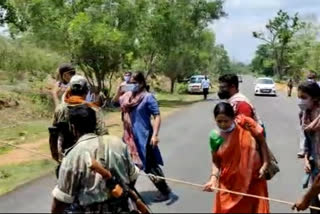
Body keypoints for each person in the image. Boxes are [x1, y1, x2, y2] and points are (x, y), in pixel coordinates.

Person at [51, 105, 140, 213]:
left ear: (73, 128)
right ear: (95, 123)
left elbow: (61, 199)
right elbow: (133, 176)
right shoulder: (118, 143)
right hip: (123, 208)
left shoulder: (72, 156)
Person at [203, 102, 270, 213]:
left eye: (226, 121)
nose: (223, 125)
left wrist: (265, 164)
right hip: (228, 185)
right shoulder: (215, 136)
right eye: (219, 121)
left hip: (253, 181)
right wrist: (213, 178)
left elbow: (262, 143)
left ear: (233, 117)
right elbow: (216, 161)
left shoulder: (246, 124)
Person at [119, 72, 172, 202]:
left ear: (141, 83)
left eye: (133, 83)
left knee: (150, 167)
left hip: (144, 137)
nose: (131, 85)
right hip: (129, 138)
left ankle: (164, 191)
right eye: (130, 83)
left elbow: (157, 115)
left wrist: (155, 135)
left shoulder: (148, 97)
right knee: (128, 165)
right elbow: (115, 102)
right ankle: (128, 192)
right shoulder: (127, 97)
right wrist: (118, 90)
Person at [50, 75, 108, 163]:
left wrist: (57, 158)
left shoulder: (60, 109)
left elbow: (54, 134)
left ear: (69, 90)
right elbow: (103, 134)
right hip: (92, 157)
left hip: (68, 158)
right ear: (86, 91)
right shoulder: (94, 109)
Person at [295, 81, 320, 213]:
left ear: (315, 98)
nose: (300, 101)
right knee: (314, 205)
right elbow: (307, 139)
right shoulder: (304, 114)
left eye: (304, 97)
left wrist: (305, 199)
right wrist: (306, 158)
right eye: (299, 97)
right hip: (315, 166)